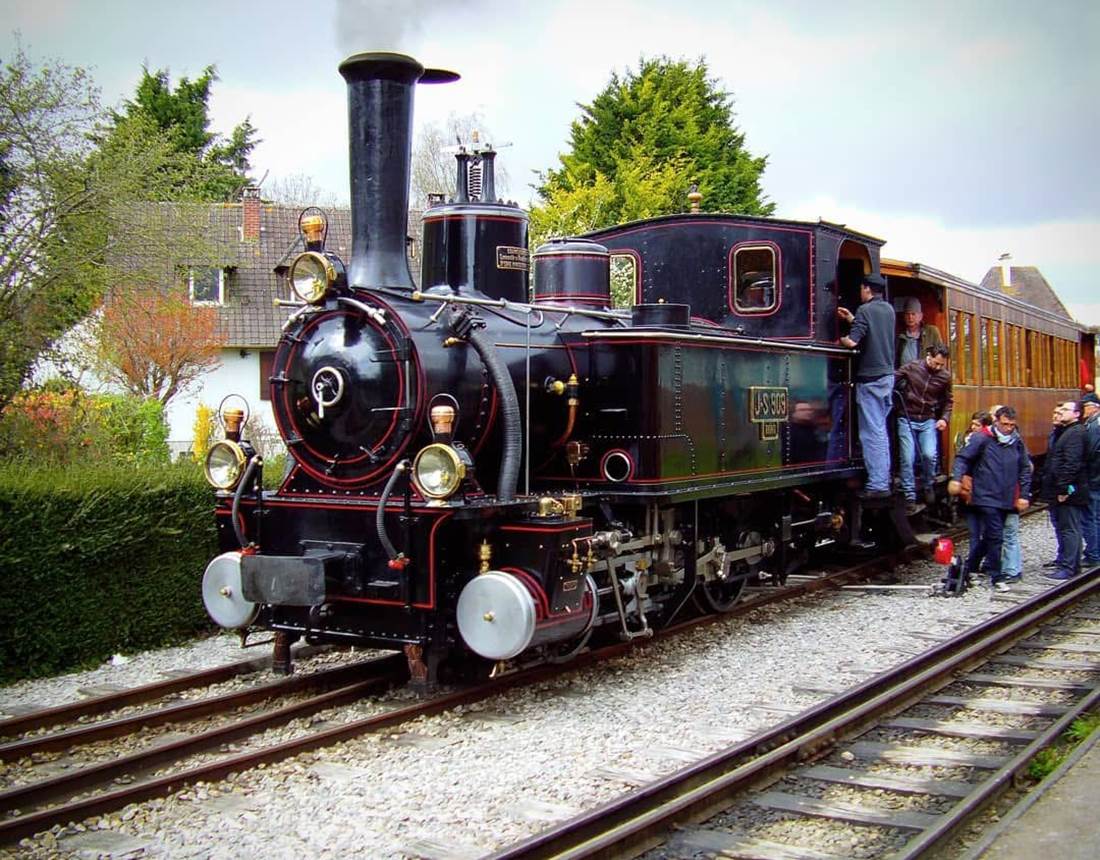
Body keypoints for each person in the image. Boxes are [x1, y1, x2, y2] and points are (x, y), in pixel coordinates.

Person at [949, 406, 1031, 592]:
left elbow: (1025, 468)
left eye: (1011, 425)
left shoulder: (1016, 442)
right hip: (985, 495)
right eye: (1005, 424)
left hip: (1006, 497)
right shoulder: (982, 439)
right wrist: (956, 479)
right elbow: (963, 458)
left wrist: (1025, 495)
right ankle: (997, 576)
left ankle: (970, 567)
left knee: (990, 537)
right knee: (995, 536)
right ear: (996, 422)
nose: (1008, 429)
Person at [838, 274, 895, 497]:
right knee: (880, 428)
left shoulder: (865, 310)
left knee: (872, 432)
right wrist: (853, 319)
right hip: (887, 376)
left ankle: (879, 483)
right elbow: (874, 331)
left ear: (867, 289)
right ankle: (883, 478)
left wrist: (841, 339)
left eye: (861, 289)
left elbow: (853, 341)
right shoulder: (888, 310)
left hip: (870, 379)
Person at [894, 345, 952, 514]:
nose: (938, 367)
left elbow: (949, 400)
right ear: (929, 356)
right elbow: (893, 378)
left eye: (941, 365)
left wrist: (944, 418)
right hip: (907, 417)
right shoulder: (912, 367)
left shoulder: (945, 377)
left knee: (929, 454)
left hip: (928, 419)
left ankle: (928, 484)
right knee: (907, 457)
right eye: (936, 363)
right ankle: (910, 497)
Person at [1041, 400, 1090, 580]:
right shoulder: (1067, 432)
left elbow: (1072, 464)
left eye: (1065, 410)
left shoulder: (1075, 434)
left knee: (1069, 528)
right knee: (1066, 527)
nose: (1060, 412)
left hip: (1070, 491)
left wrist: (1063, 489)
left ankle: (1070, 566)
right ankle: (1067, 563)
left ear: (1077, 414)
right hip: (1066, 488)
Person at [895, 297, 945, 367]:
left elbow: (942, 353)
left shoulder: (931, 331)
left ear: (920, 316)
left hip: (925, 376)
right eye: (907, 314)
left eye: (913, 314)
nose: (910, 317)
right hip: (905, 376)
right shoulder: (899, 336)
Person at [1080, 393, 1100, 566]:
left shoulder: (1094, 426)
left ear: (1094, 407)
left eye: (1085, 406)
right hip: (1096, 478)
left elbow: (1091, 452)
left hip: (1093, 479)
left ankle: (1094, 553)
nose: (1083, 410)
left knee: (1091, 517)